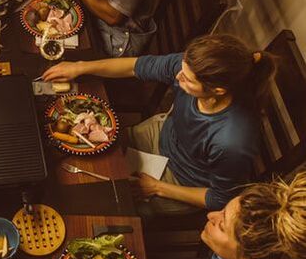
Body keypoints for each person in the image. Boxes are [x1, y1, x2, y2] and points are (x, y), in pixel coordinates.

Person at [43, 34, 275, 215]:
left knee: (102, 201)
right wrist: (81, 66)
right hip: (162, 133)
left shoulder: (232, 141)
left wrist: (157, 188)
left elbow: (221, 198)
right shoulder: (190, 67)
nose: (177, 77)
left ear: (218, 90)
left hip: (182, 181)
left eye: (187, 79)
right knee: (80, 157)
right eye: (182, 68)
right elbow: (135, 66)